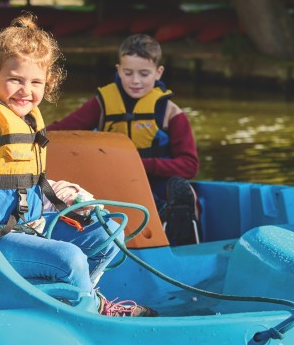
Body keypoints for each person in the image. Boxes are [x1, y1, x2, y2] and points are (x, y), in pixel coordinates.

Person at [0, 12, 156, 317]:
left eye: (36, 82)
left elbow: (31, 184)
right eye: (15, 80)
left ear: (49, 83)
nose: (25, 90)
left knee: (109, 234)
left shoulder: (27, 122)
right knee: (69, 258)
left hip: (30, 230)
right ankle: (91, 313)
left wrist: (72, 196)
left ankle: (74, 300)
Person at [46, 33, 201, 245]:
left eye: (144, 74)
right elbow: (60, 131)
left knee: (180, 192)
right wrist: (32, 134)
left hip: (155, 183)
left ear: (158, 73)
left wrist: (139, 165)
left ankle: (175, 236)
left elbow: (190, 166)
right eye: (128, 73)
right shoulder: (101, 104)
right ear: (118, 70)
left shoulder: (172, 114)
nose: (135, 81)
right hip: (112, 181)